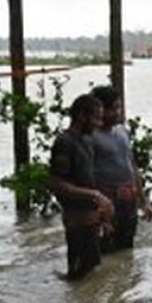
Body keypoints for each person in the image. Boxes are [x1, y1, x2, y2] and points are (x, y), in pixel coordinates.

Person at [48, 94, 113, 280]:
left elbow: (88, 179)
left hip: (91, 219)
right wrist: (94, 195)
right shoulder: (65, 142)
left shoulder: (86, 140)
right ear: (81, 116)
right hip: (76, 221)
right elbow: (56, 183)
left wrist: (102, 211)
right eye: (96, 118)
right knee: (79, 278)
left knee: (91, 276)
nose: (99, 124)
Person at [89, 85, 152, 252]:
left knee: (126, 251)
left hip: (128, 200)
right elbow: (84, 175)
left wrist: (143, 200)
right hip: (106, 202)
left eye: (119, 107)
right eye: (113, 108)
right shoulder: (90, 137)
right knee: (104, 251)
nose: (118, 112)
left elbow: (131, 166)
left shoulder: (122, 131)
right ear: (100, 109)